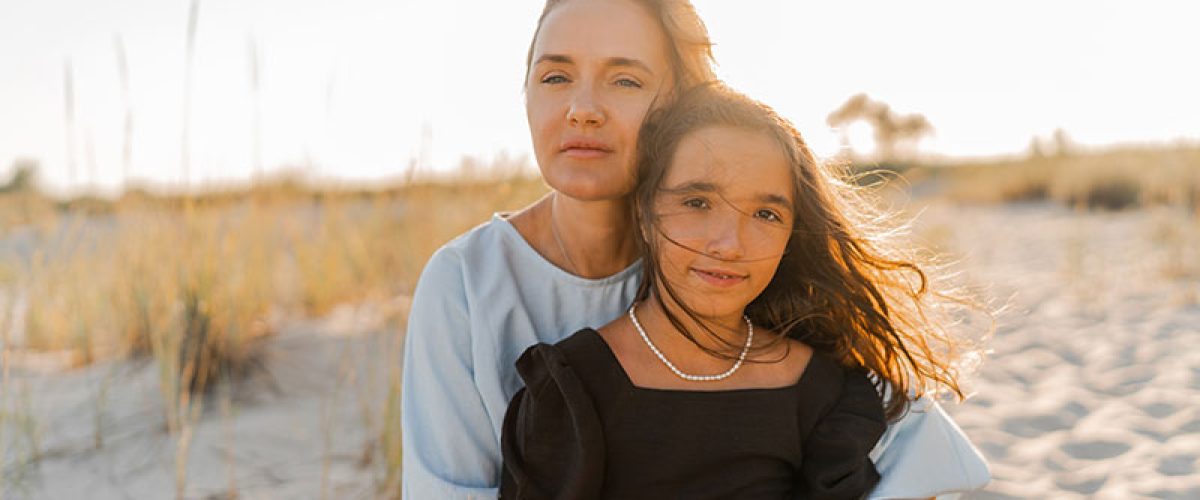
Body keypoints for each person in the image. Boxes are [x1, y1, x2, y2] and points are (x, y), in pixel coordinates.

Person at [401, 0, 990, 498]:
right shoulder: (466, 281)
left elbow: (910, 452)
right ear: (525, 93)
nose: (582, 107)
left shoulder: (728, 263)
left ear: (680, 102)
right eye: (555, 76)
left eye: (625, 79)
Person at [501, 83, 895, 499]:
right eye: (697, 202)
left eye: (766, 214)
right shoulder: (572, 391)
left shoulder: (821, 391)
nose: (729, 244)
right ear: (645, 213)